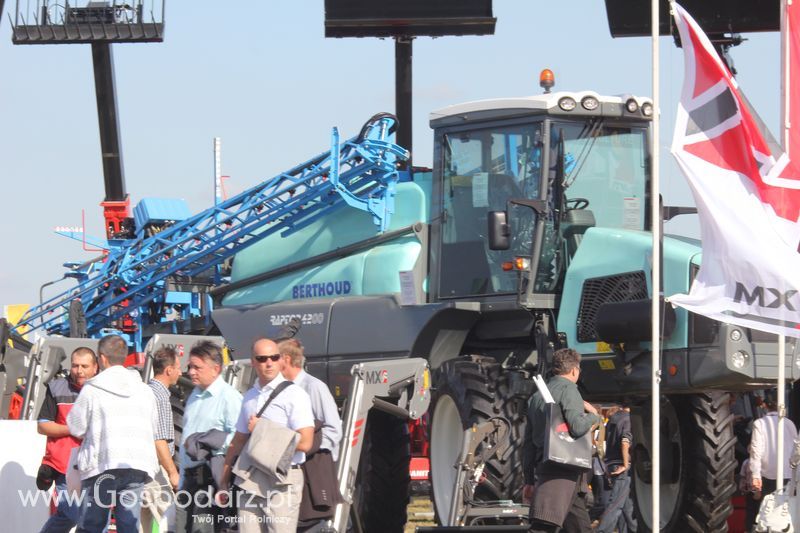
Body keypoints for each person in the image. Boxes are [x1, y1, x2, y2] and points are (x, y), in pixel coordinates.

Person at [220, 337, 315, 533]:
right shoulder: (249, 396)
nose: (269, 362)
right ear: (253, 362)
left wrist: (262, 429)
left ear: (281, 360)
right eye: (262, 358)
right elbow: (238, 441)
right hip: (250, 477)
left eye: (274, 357)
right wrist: (223, 481)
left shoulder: (296, 395)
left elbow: (305, 442)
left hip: (283, 477)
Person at [66, 334, 159, 533]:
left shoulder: (92, 389)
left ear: (102, 358)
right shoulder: (144, 390)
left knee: (92, 525)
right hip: (136, 464)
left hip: (102, 464)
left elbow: (75, 427)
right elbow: (153, 426)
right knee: (128, 525)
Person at [522, 348, 601, 533]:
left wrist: (528, 479)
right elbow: (577, 427)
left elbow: (528, 444)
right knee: (543, 527)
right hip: (564, 469)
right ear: (574, 370)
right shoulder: (569, 389)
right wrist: (595, 416)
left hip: (546, 466)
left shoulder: (536, 397)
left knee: (580, 527)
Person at [176, 339, 242, 533]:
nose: (191, 372)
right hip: (189, 479)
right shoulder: (194, 396)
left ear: (216, 369)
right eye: (190, 367)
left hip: (210, 479)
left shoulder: (229, 397)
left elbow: (239, 438)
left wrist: (212, 443)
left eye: (197, 367)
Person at [36, 346, 98, 533]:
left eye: (84, 366)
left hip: (96, 463)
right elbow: (42, 426)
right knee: (73, 513)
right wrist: (73, 429)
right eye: (75, 365)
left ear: (95, 367)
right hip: (65, 465)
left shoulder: (103, 390)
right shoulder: (57, 388)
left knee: (93, 517)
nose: (79, 370)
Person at [278, 338, 342, 461]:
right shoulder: (281, 388)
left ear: (286, 359)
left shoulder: (314, 387)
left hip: (312, 464)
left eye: (275, 358)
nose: (270, 362)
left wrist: (302, 448)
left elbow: (333, 430)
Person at [140, 346, 183, 532]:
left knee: (142, 525)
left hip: (141, 469)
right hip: (156, 470)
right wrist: (172, 472)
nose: (181, 372)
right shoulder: (159, 397)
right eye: (178, 367)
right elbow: (159, 440)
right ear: (169, 370)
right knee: (170, 520)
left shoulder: (146, 391)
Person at [747, 389, 798, 531]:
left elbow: (756, 451)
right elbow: (796, 450)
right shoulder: (790, 424)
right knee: (787, 512)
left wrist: (755, 475)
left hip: (768, 475)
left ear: (765, 405)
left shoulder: (759, 423)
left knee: (765, 513)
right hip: (789, 475)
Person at [595, 402, 636, 533]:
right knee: (616, 505)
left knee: (627, 507)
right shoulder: (628, 418)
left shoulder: (613, 418)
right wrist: (625, 464)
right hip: (622, 465)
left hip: (611, 463)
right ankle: (602, 531)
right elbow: (625, 442)